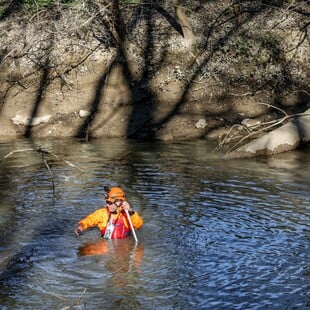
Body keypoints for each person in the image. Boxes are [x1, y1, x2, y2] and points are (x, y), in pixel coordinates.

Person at [75, 187, 143, 239]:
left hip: (123, 245)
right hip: (105, 245)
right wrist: (81, 226)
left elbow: (138, 225)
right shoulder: (101, 213)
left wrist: (130, 211)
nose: (107, 205)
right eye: (107, 202)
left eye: (110, 203)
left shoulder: (127, 214)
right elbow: (89, 220)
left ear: (119, 202)